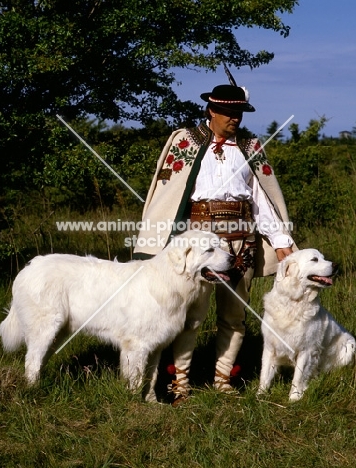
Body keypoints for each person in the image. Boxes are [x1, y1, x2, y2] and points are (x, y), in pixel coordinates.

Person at [133, 82, 294, 405]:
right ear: (211, 110)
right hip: (197, 244)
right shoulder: (186, 142)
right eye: (229, 112)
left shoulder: (250, 146)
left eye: (239, 113)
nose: (235, 118)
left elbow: (261, 200)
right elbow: (169, 195)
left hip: (240, 241)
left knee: (234, 316)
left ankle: (222, 380)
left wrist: (280, 241)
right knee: (188, 316)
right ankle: (179, 384)